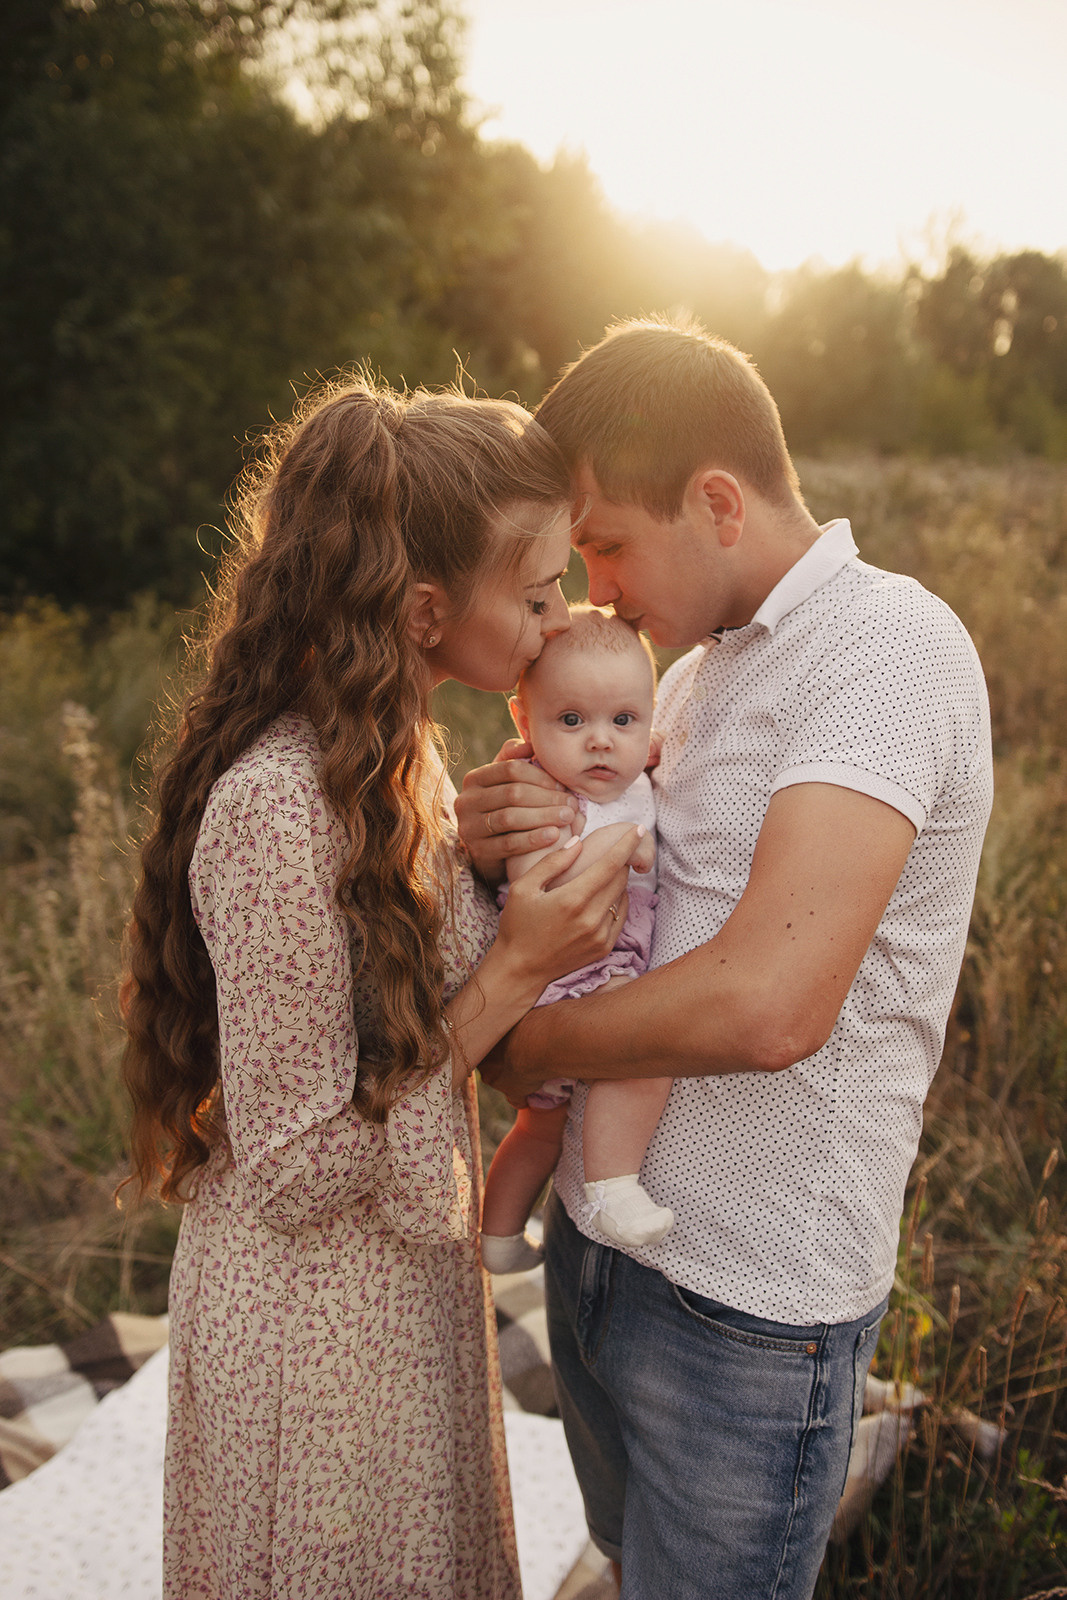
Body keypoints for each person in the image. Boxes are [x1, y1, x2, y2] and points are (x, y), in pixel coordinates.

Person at [454, 318, 994, 1600]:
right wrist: (495, 833)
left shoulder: (884, 651)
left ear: (713, 500)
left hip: (743, 1314)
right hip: (600, 1257)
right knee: (630, 1567)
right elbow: (621, 884)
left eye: (604, 543)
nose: (592, 587)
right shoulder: (684, 677)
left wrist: (514, 1042)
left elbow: (767, 1004)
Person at [119, 377, 643, 1600]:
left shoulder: (402, 769)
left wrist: (491, 858)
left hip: (397, 1303)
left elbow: (404, 999)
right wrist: (517, 961)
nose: (560, 616)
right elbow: (301, 1162)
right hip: (307, 1340)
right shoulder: (271, 808)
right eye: (533, 593)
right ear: (421, 610)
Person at [479, 605, 672, 1274]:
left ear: (650, 727)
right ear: (523, 723)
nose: (598, 742)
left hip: (592, 956)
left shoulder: (633, 784)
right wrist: (626, 851)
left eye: (622, 721)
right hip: (573, 966)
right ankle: (613, 1186)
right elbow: (532, 878)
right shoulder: (540, 793)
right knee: (642, 1053)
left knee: (541, 1124)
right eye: (571, 721)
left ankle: (499, 1238)